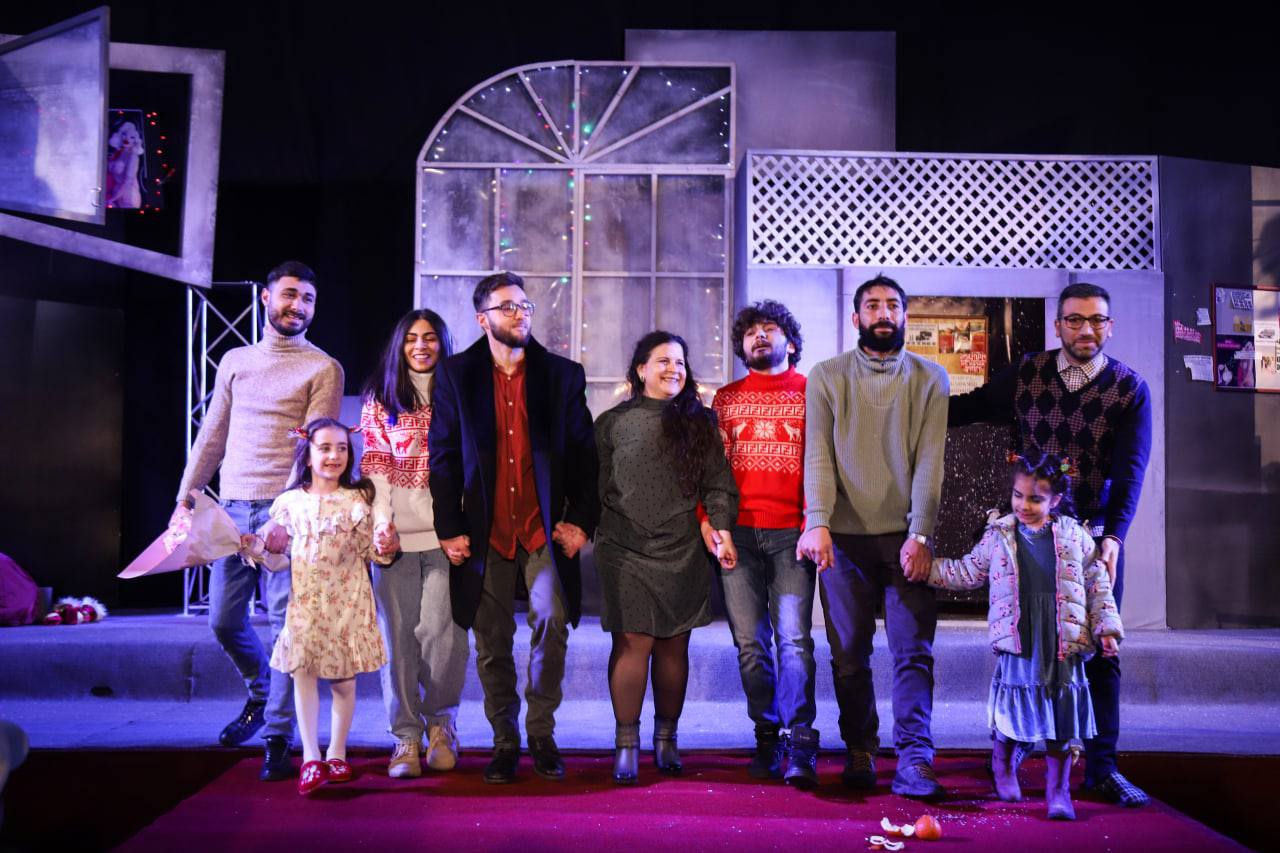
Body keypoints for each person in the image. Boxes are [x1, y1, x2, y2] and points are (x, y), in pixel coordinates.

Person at [949, 281, 1152, 807]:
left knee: (1099, 652)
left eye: (1097, 319)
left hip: (1089, 541)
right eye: (1075, 319)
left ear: (1110, 326)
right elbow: (971, 407)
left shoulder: (1129, 389)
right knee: (1022, 651)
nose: (1086, 329)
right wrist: (908, 406)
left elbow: (1130, 473)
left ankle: (1101, 769)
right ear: (1058, 325)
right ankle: (1015, 744)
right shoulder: (1029, 373)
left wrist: (1115, 538)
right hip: (1027, 538)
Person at [170, 261, 343, 781]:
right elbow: (212, 434)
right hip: (231, 509)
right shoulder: (235, 360)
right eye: (289, 294)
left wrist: (287, 511)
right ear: (267, 298)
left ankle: (278, 735)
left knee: (289, 626)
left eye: (308, 298)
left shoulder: (323, 367)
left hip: (286, 511)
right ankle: (260, 692)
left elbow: (315, 448)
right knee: (223, 620)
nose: (298, 306)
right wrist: (186, 497)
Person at [428, 272, 599, 784]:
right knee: (492, 640)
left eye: (524, 306)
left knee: (551, 619)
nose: (520, 314)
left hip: (542, 528)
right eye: (507, 307)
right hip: (485, 531)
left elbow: (586, 458)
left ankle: (541, 733)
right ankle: (505, 739)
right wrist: (448, 526)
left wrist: (581, 521)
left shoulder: (562, 375)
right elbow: (442, 458)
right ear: (482, 319)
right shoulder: (455, 375)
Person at [797, 274, 950, 800]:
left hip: (907, 539)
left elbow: (930, 462)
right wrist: (817, 520)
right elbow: (818, 455)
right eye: (872, 305)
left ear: (906, 316)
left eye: (892, 305)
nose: (883, 313)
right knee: (849, 656)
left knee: (914, 653)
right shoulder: (826, 376)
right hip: (843, 540)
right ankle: (860, 748)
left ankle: (915, 758)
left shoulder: (930, 378)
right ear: (856, 317)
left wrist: (921, 532)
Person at [929, 452, 1123, 820]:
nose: (1024, 505)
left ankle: (1058, 791)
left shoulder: (1075, 536)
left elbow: (1097, 585)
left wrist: (1107, 630)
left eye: (1035, 498)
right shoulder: (1000, 535)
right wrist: (928, 569)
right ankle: (1002, 763)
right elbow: (968, 571)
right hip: (1022, 639)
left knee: (1061, 722)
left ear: (1055, 500)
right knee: (1012, 712)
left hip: (1061, 640)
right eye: (1018, 496)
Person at [595, 331, 739, 785]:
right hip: (624, 549)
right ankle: (626, 744)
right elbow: (596, 486)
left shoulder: (701, 422)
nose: (673, 369)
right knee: (632, 642)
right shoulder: (612, 423)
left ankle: (666, 738)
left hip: (683, 549)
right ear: (641, 369)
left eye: (680, 362)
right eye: (663, 361)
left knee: (674, 645)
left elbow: (717, 484)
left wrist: (721, 528)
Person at [705, 301, 818, 786]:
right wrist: (713, 526)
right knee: (750, 644)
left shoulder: (812, 393)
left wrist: (816, 523)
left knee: (794, 641)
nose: (759, 336)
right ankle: (767, 735)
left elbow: (821, 466)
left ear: (790, 341)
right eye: (751, 331)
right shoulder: (725, 399)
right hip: (739, 536)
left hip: (793, 533)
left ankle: (800, 739)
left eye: (769, 328)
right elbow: (711, 472)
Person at [360, 309, 470, 778]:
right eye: (410, 338)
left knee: (444, 638)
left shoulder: (460, 393)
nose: (420, 346)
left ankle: (441, 727)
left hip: (448, 539)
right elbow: (376, 468)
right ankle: (405, 736)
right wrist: (381, 526)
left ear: (443, 343)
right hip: (396, 542)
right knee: (399, 640)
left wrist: (463, 526)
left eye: (429, 338)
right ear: (399, 345)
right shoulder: (381, 396)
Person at [258, 418, 392, 795]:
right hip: (306, 607)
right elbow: (276, 560)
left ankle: (337, 752)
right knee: (303, 675)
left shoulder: (357, 500)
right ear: (308, 454)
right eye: (325, 448)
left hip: (347, 604)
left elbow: (374, 554)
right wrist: (261, 548)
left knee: (344, 681)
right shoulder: (289, 504)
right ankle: (311, 757)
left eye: (342, 448)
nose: (334, 456)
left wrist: (386, 544)